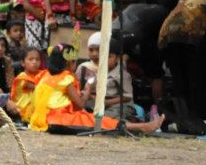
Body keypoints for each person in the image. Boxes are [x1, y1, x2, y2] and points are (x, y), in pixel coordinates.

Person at [29, 44, 162, 134]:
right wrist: (87, 90)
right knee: (98, 121)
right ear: (69, 63)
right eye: (75, 62)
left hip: (39, 119)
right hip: (57, 120)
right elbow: (80, 104)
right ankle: (142, 127)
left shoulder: (44, 75)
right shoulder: (66, 78)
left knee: (97, 119)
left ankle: (139, 127)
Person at [158, 0, 206, 119]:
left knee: (179, 78)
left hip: (169, 39)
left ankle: (182, 115)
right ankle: (195, 114)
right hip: (190, 41)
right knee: (195, 78)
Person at [10, 46, 45, 123]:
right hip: (22, 110)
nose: (34, 62)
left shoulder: (42, 75)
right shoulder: (22, 77)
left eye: (37, 59)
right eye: (31, 59)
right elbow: (39, 88)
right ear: (23, 63)